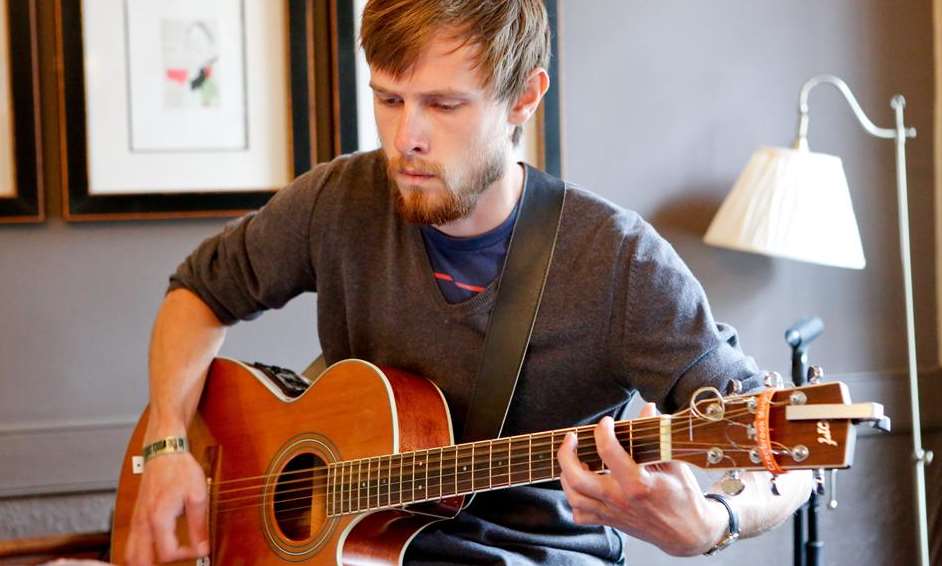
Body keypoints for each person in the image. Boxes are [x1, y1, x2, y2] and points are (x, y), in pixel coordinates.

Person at [126, 0, 812, 564]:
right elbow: (197, 294)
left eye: (444, 105)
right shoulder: (338, 200)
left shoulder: (619, 263)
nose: (406, 138)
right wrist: (166, 442)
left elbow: (793, 458)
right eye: (388, 100)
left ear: (524, 97)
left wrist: (711, 523)